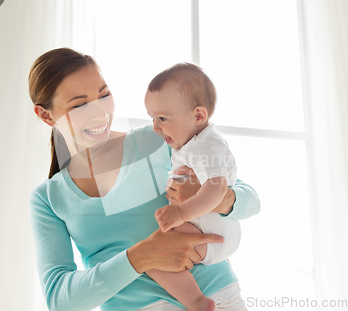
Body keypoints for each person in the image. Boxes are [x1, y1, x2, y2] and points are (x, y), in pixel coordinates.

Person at [29, 47, 260, 311]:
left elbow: (251, 200)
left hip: (217, 299)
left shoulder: (158, 140)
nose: (99, 113)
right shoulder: (48, 199)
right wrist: (139, 257)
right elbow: (60, 300)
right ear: (46, 115)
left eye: (104, 95)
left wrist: (209, 197)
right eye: (80, 105)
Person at [144, 63, 241, 311]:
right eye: (153, 118)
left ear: (198, 116)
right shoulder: (191, 144)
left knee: (152, 255)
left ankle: (197, 301)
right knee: (152, 252)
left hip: (210, 230)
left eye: (163, 118)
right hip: (210, 229)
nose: (155, 127)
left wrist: (181, 212)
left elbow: (217, 188)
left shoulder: (206, 146)